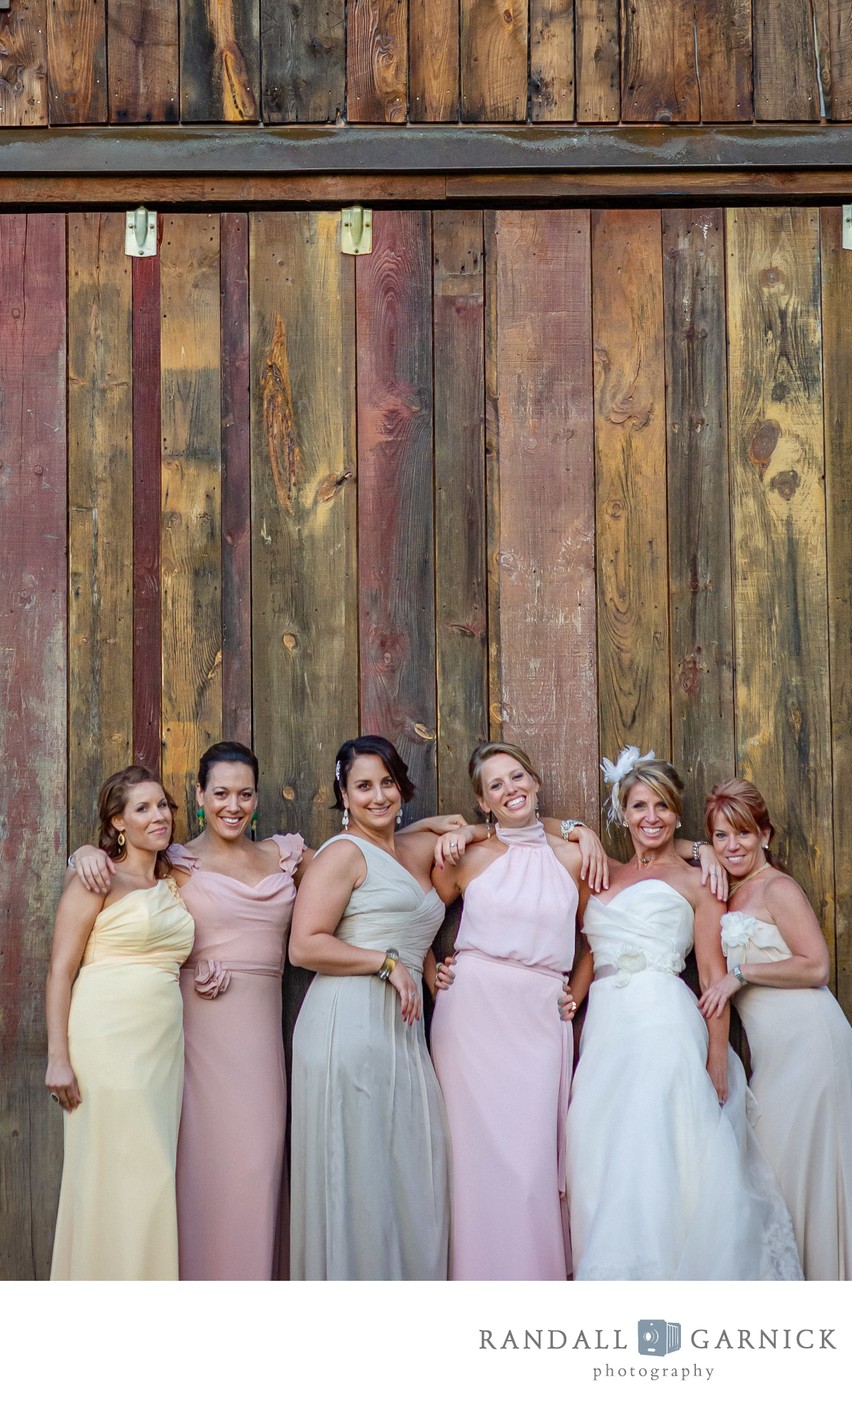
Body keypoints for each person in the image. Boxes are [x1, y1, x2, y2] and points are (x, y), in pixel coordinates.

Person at [70, 741, 308, 1281]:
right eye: (220, 792)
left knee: (256, 1166)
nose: (233, 804)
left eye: (245, 793)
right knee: (194, 1173)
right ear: (199, 796)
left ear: (256, 798)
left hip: (257, 1036)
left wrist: (469, 830)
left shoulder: (286, 855)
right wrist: (81, 853)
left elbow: (362, 865)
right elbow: (121, 888)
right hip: (194, 1031)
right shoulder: (175, 862)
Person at [563, 746, 802, 1280]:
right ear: (621, 812)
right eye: (640, 806)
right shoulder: (597, 872)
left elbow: (715, 977)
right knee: (597, 1147)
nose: (652, 817)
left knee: (655, 1149)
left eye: (664, 807)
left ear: (677, 813)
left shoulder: (700, 883)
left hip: (663, 1025)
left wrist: (718, 1054)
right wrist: (581, 830)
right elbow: (585, 946)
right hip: (604, 1034)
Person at [428, 741, 607, 1279]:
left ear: (535, 782)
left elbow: (597, 937)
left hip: (538, 1015)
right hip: (471, 1017)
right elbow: (412, 917)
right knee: (471, 1164)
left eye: (517, 777)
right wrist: (432, 968)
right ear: (482, 802)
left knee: (530, 1165)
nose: (511, 790)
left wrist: (576, 989)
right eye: (496, 785)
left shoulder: (576, 857)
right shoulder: (470, 857)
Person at [288, 735, 452, 1280]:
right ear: (343, 794)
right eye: (363, 786)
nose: (377, 796)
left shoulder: (410, 846)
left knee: (404, 1167)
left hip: (401, 1030)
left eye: (387, 783)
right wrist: (386, 964)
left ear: (402, 788)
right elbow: (305, 945)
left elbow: (480, 829)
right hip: (349, 1021)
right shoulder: (342, 855)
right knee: (357, 1170)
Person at [700, 778, 852, 1280]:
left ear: (765, 834)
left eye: (743, 833)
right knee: (777, 1173)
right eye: (721, 837)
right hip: (775, 1055)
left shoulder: (777, 887)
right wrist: (699, 849)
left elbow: (815, 967)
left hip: (812, 1044)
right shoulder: (729, 889)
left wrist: (740, 974)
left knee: (806, 1166)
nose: (732, 846)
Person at [46, 766, 194, 1280]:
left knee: (152, 1171)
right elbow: (61, 971)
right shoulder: (96, 876)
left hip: (161, 1044)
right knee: (119, 1169)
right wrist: (58, 1058)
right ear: (118, 822)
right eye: (143, 808)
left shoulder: (174, 879)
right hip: (106, 1038)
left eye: (164, 805)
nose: (159, 816)